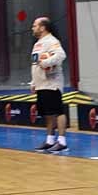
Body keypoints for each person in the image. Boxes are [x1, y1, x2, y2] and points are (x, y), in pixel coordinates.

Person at [30, 16, 68, 153]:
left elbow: (60, 55)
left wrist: (46, 63)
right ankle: (50, 140)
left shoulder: (52, 41)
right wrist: (34, 82)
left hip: (52, 83)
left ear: (43, 27)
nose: (32, 28)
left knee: (58, 111)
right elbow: (35, 64)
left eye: (35, 25)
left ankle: (62, 141)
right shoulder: (38, 43)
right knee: (48, 113)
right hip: (41, 84)